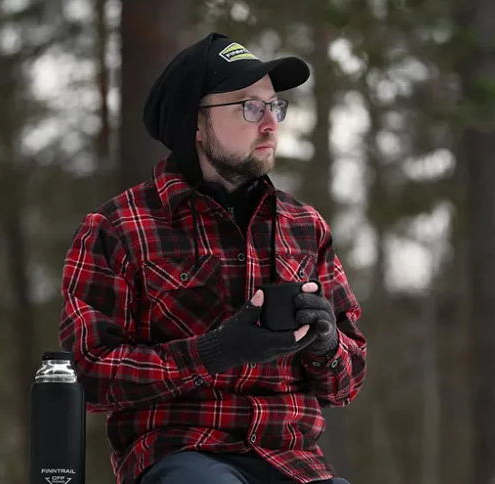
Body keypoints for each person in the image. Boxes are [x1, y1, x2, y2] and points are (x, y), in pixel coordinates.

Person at [59, 32, 367, 484]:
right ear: (195, 123)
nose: (270, 124)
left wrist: (326, 345)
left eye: (274, 106)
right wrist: (214, 351)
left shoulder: (305, 226)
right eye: (249, 107)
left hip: (294, 462)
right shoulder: (118, 228)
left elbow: (347, 383)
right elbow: (88, 374)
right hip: (181, 455)